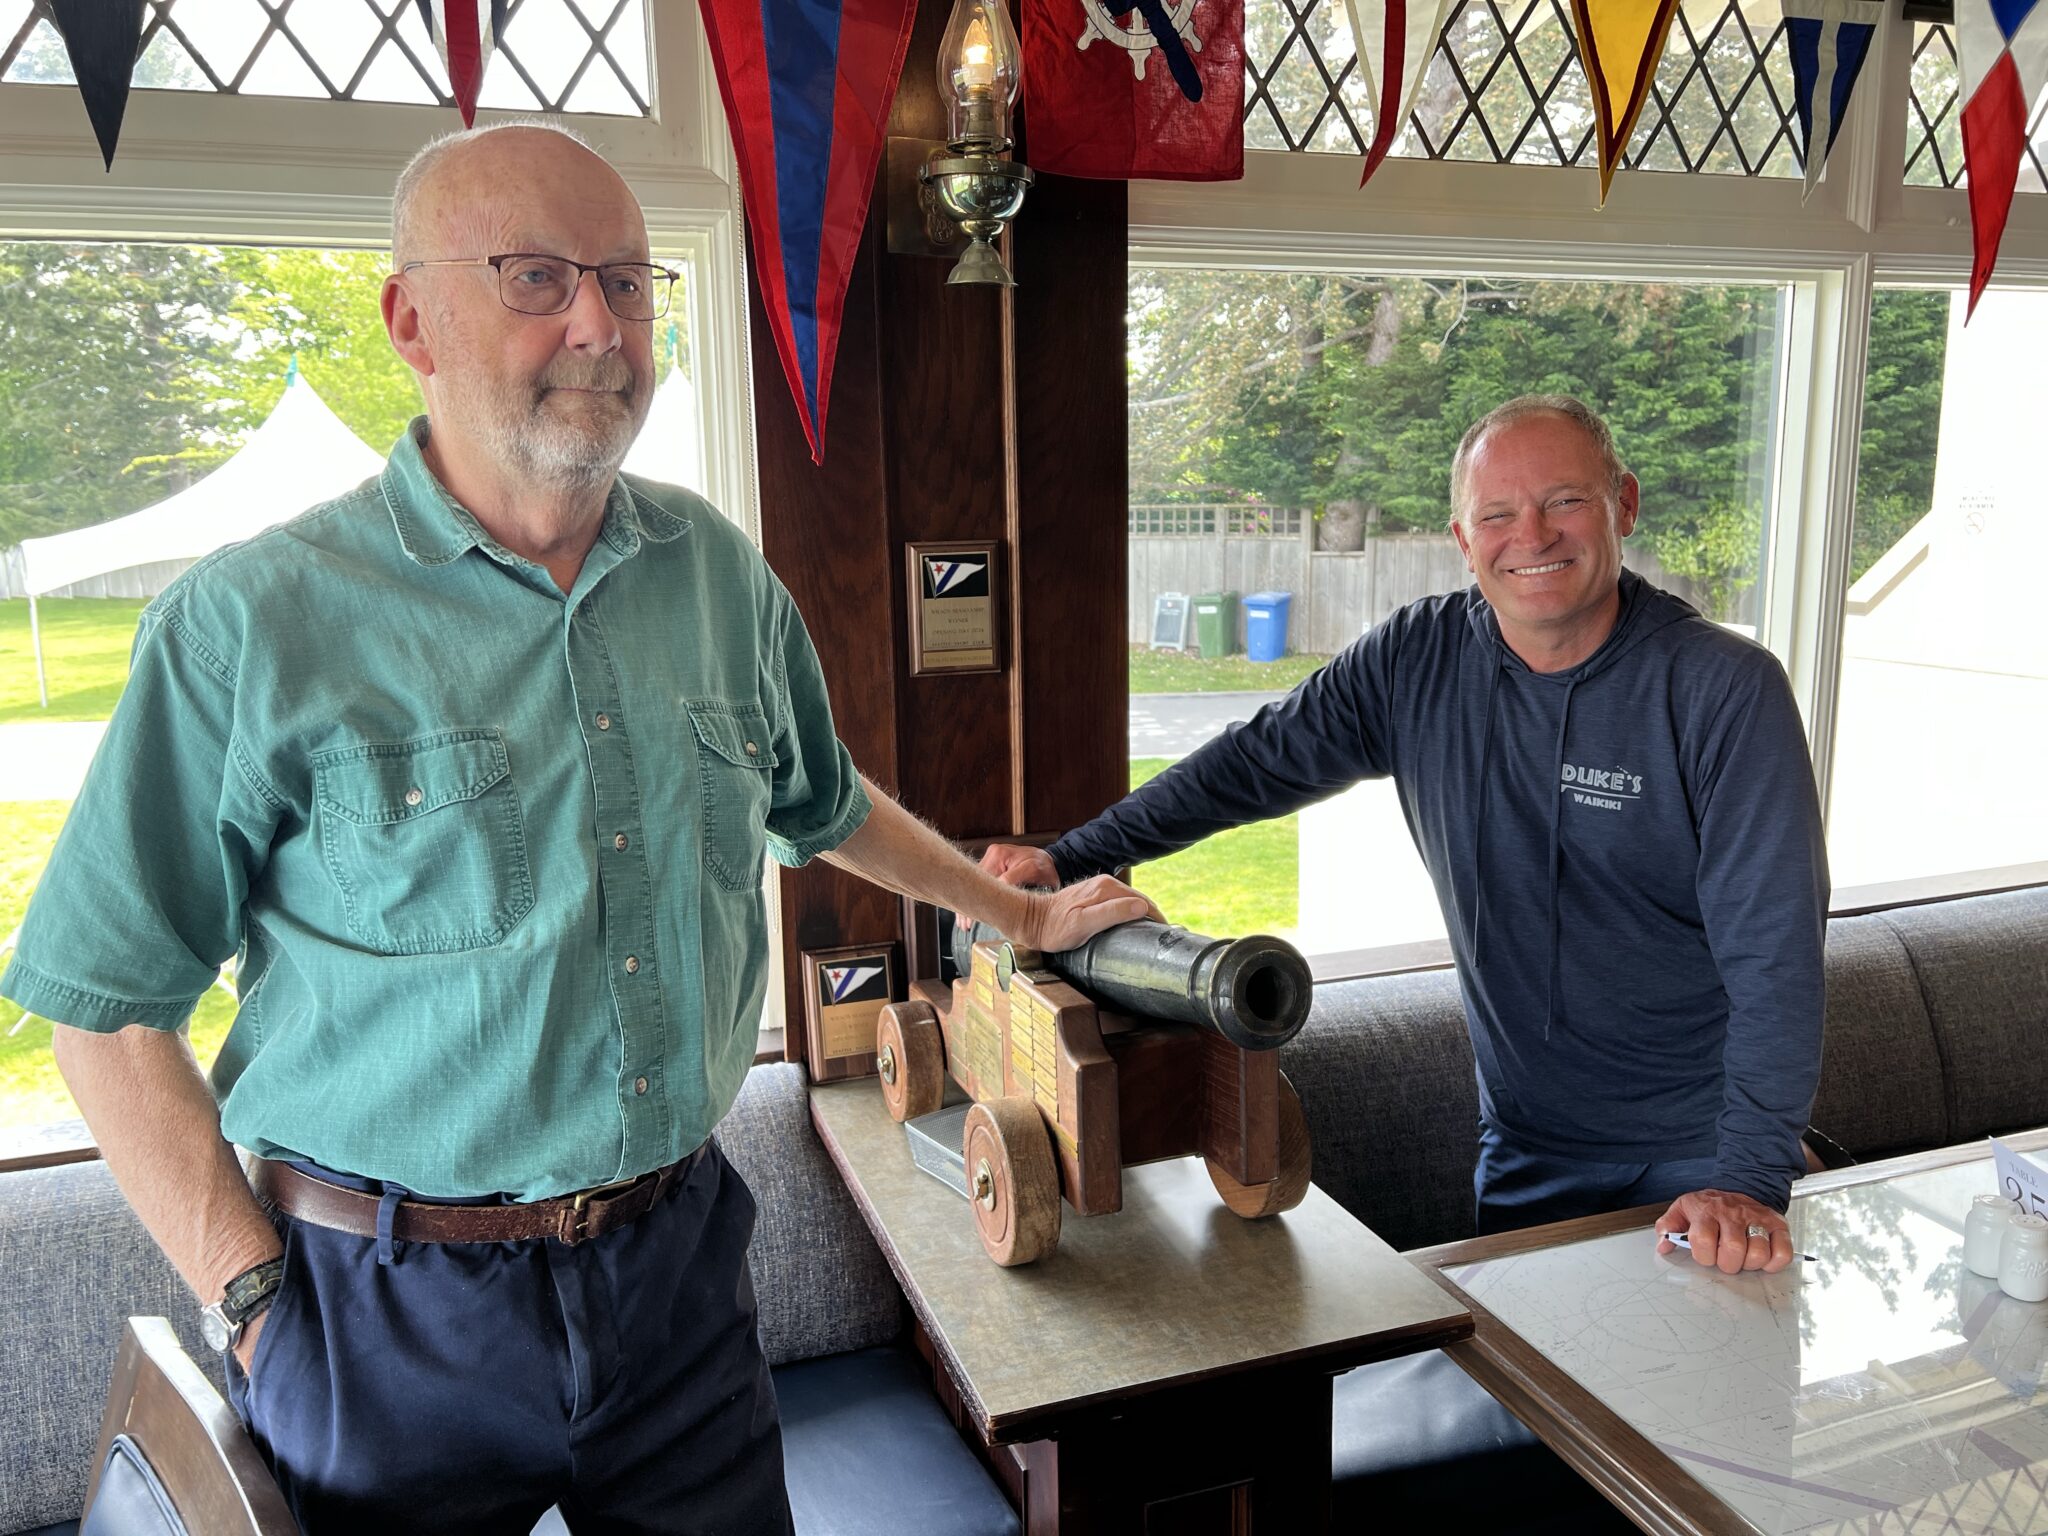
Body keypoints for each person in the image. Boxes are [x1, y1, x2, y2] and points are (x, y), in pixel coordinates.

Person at [1, 122, 1152, 1536]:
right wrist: (254, 1303)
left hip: (675, 1274)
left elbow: (824, 803)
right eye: (537, 278)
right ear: (411, 320)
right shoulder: (251, 623)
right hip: (381, 1315)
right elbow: (104, 1011)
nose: (601, 327)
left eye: (626, 281)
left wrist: (1023, 913)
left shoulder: (716, 575)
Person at [981, 395, 1828, 1276]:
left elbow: (1776, 956)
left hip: (1699, 1160)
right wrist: (1070, 856)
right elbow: (1251, 763)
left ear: (1624, 504)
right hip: (1524, 1146)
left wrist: (1747, 1178)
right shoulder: (1416, 661)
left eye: (1566, 501)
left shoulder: (1725, 691)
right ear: (1463, 539)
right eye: (1497, 514)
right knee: (1517, 1369)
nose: (1532, 535)